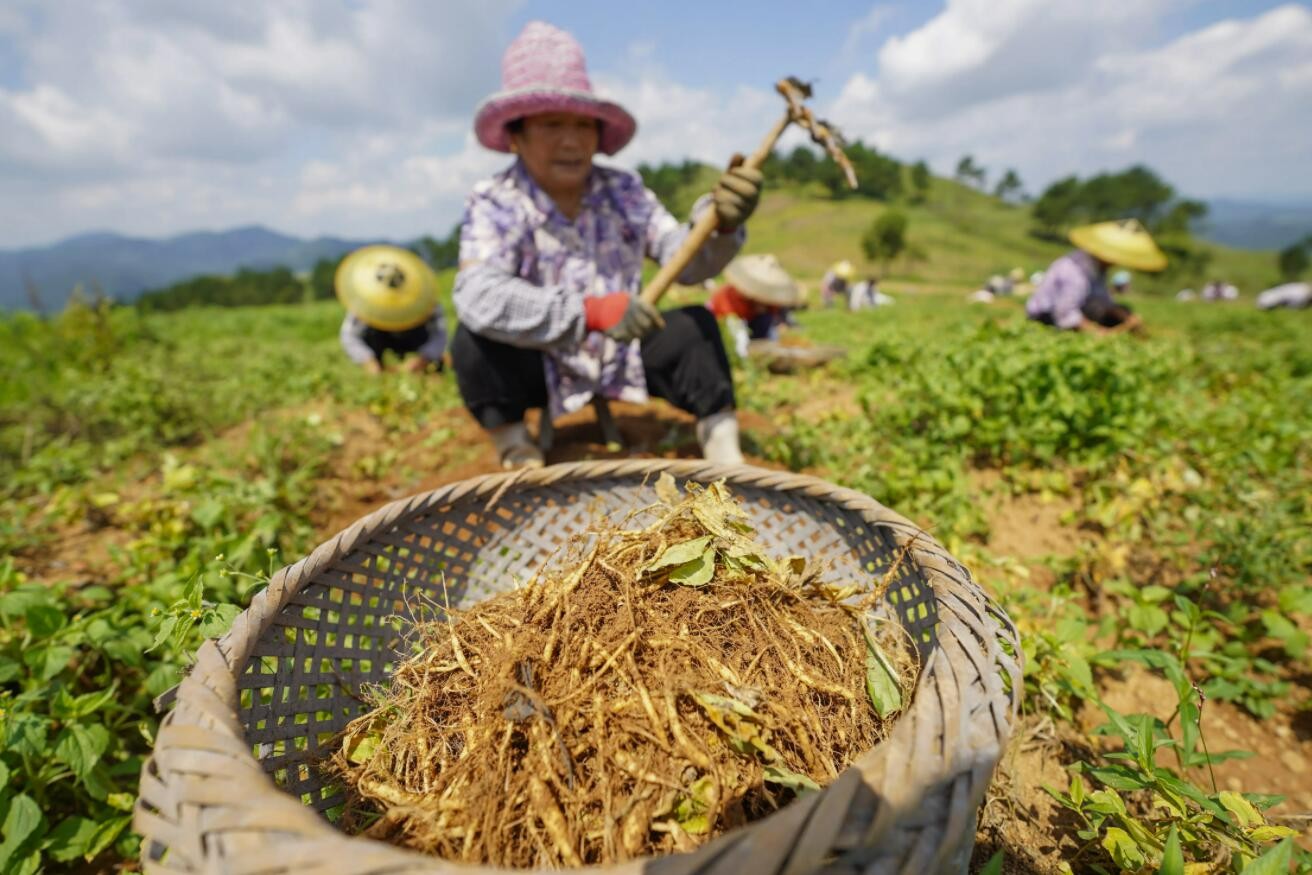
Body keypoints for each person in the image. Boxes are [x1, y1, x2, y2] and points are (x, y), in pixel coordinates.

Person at [450, 22, 762, 469]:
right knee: (472, 343)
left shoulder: (622, 190)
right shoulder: (495, 202)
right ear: (515, 136)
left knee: (695, 326)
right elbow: (477, 293)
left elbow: (683, 258)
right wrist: (590, 312)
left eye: (583, 125)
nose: (573, 141)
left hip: (625, 351)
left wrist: (719, 226)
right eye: (553, 124)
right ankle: (515, 444)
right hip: (539, 359)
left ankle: (723, 447)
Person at [1026, 219, 1166, 333]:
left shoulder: (1097, 270)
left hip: (1071, 311)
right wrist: (1101, 333)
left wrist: (1125, 317)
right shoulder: (1075, 272)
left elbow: (1102, 301)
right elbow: (1065, 315)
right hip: (1045, 318)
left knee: (1121, 310)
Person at [336, 245, 447, 374]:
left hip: (415, 344)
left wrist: (424, 358)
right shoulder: (368, 300)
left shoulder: (424, 298)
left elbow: (439, 335)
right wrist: (368, 360)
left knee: (434, 363)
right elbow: (349, 336)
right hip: (380, 344)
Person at [707, 254, 803, 357]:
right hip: (722, 326)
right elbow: (734, 327)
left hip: (750, 327)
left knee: (764, 321)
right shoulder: (730, 297)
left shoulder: (770, 301)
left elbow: (771, 324)